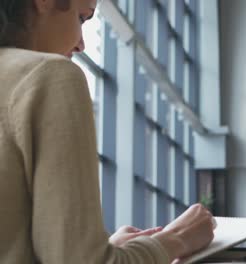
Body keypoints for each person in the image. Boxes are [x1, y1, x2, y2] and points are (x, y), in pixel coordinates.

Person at [0, 0, 214, 263]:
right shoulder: (48, 75)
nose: (81, 45)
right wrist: (177, 238)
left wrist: (111, 248)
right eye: (82, 18)